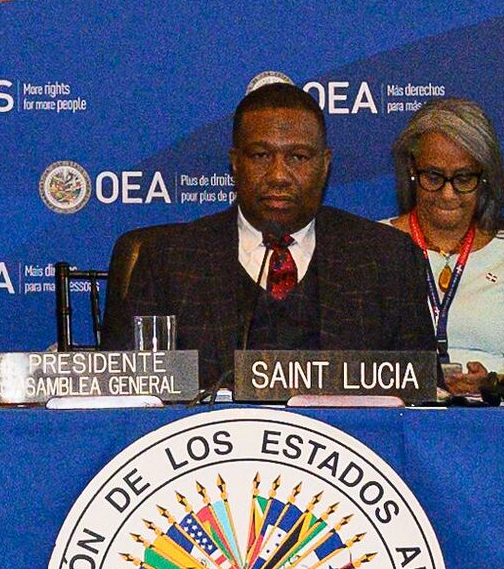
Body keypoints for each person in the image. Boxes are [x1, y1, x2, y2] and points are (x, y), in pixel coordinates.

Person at [103, 82, 441, 386]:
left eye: (298, 156)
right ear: (235, 163)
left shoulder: (386, 258)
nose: (279, 175)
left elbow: (422, 398)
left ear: (325, 165)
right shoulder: (168, 260)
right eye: (261, 155)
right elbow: (124, 396)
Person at [385, 96, 504, 394]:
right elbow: (355, 363)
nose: (448, 195)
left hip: (493, 419)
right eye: (434, 177)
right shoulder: (373, 243)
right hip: (401, 414)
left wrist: (493, 383)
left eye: (463, 178)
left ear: (485, 176)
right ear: (412, 169)